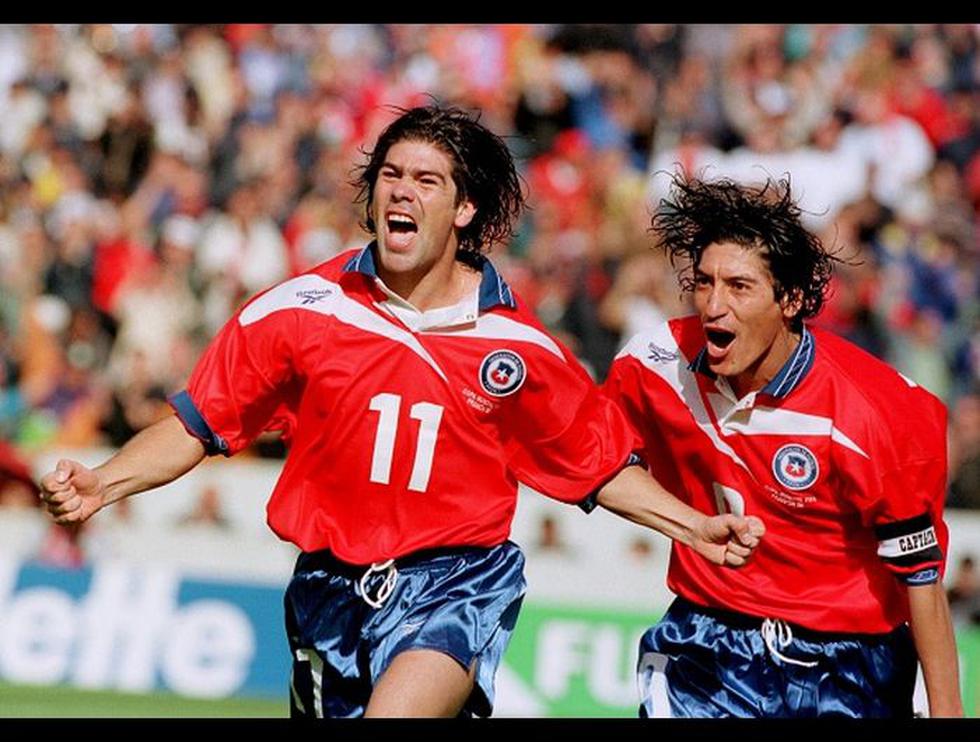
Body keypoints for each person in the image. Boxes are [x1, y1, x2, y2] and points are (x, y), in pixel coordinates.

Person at [38, 106, 764, 719]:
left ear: (465, 208)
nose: (402, 194)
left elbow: (598, 466)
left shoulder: (518, 349)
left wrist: (694, 525)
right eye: (391, 175)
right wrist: (105, 483)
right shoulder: (299, 311)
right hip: (328, 587)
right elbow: (198, 424)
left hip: (454, 582)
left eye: (426, 181)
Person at [603, 174, 963, 718]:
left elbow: (922, 584)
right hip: (709, 639)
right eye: (704, 282)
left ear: (791, 299)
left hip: (847, 663)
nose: (714, 306)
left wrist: (948, 712)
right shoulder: (651, 365)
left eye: (739, 287)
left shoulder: (877, 413)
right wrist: (689, 524)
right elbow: (597, 467)